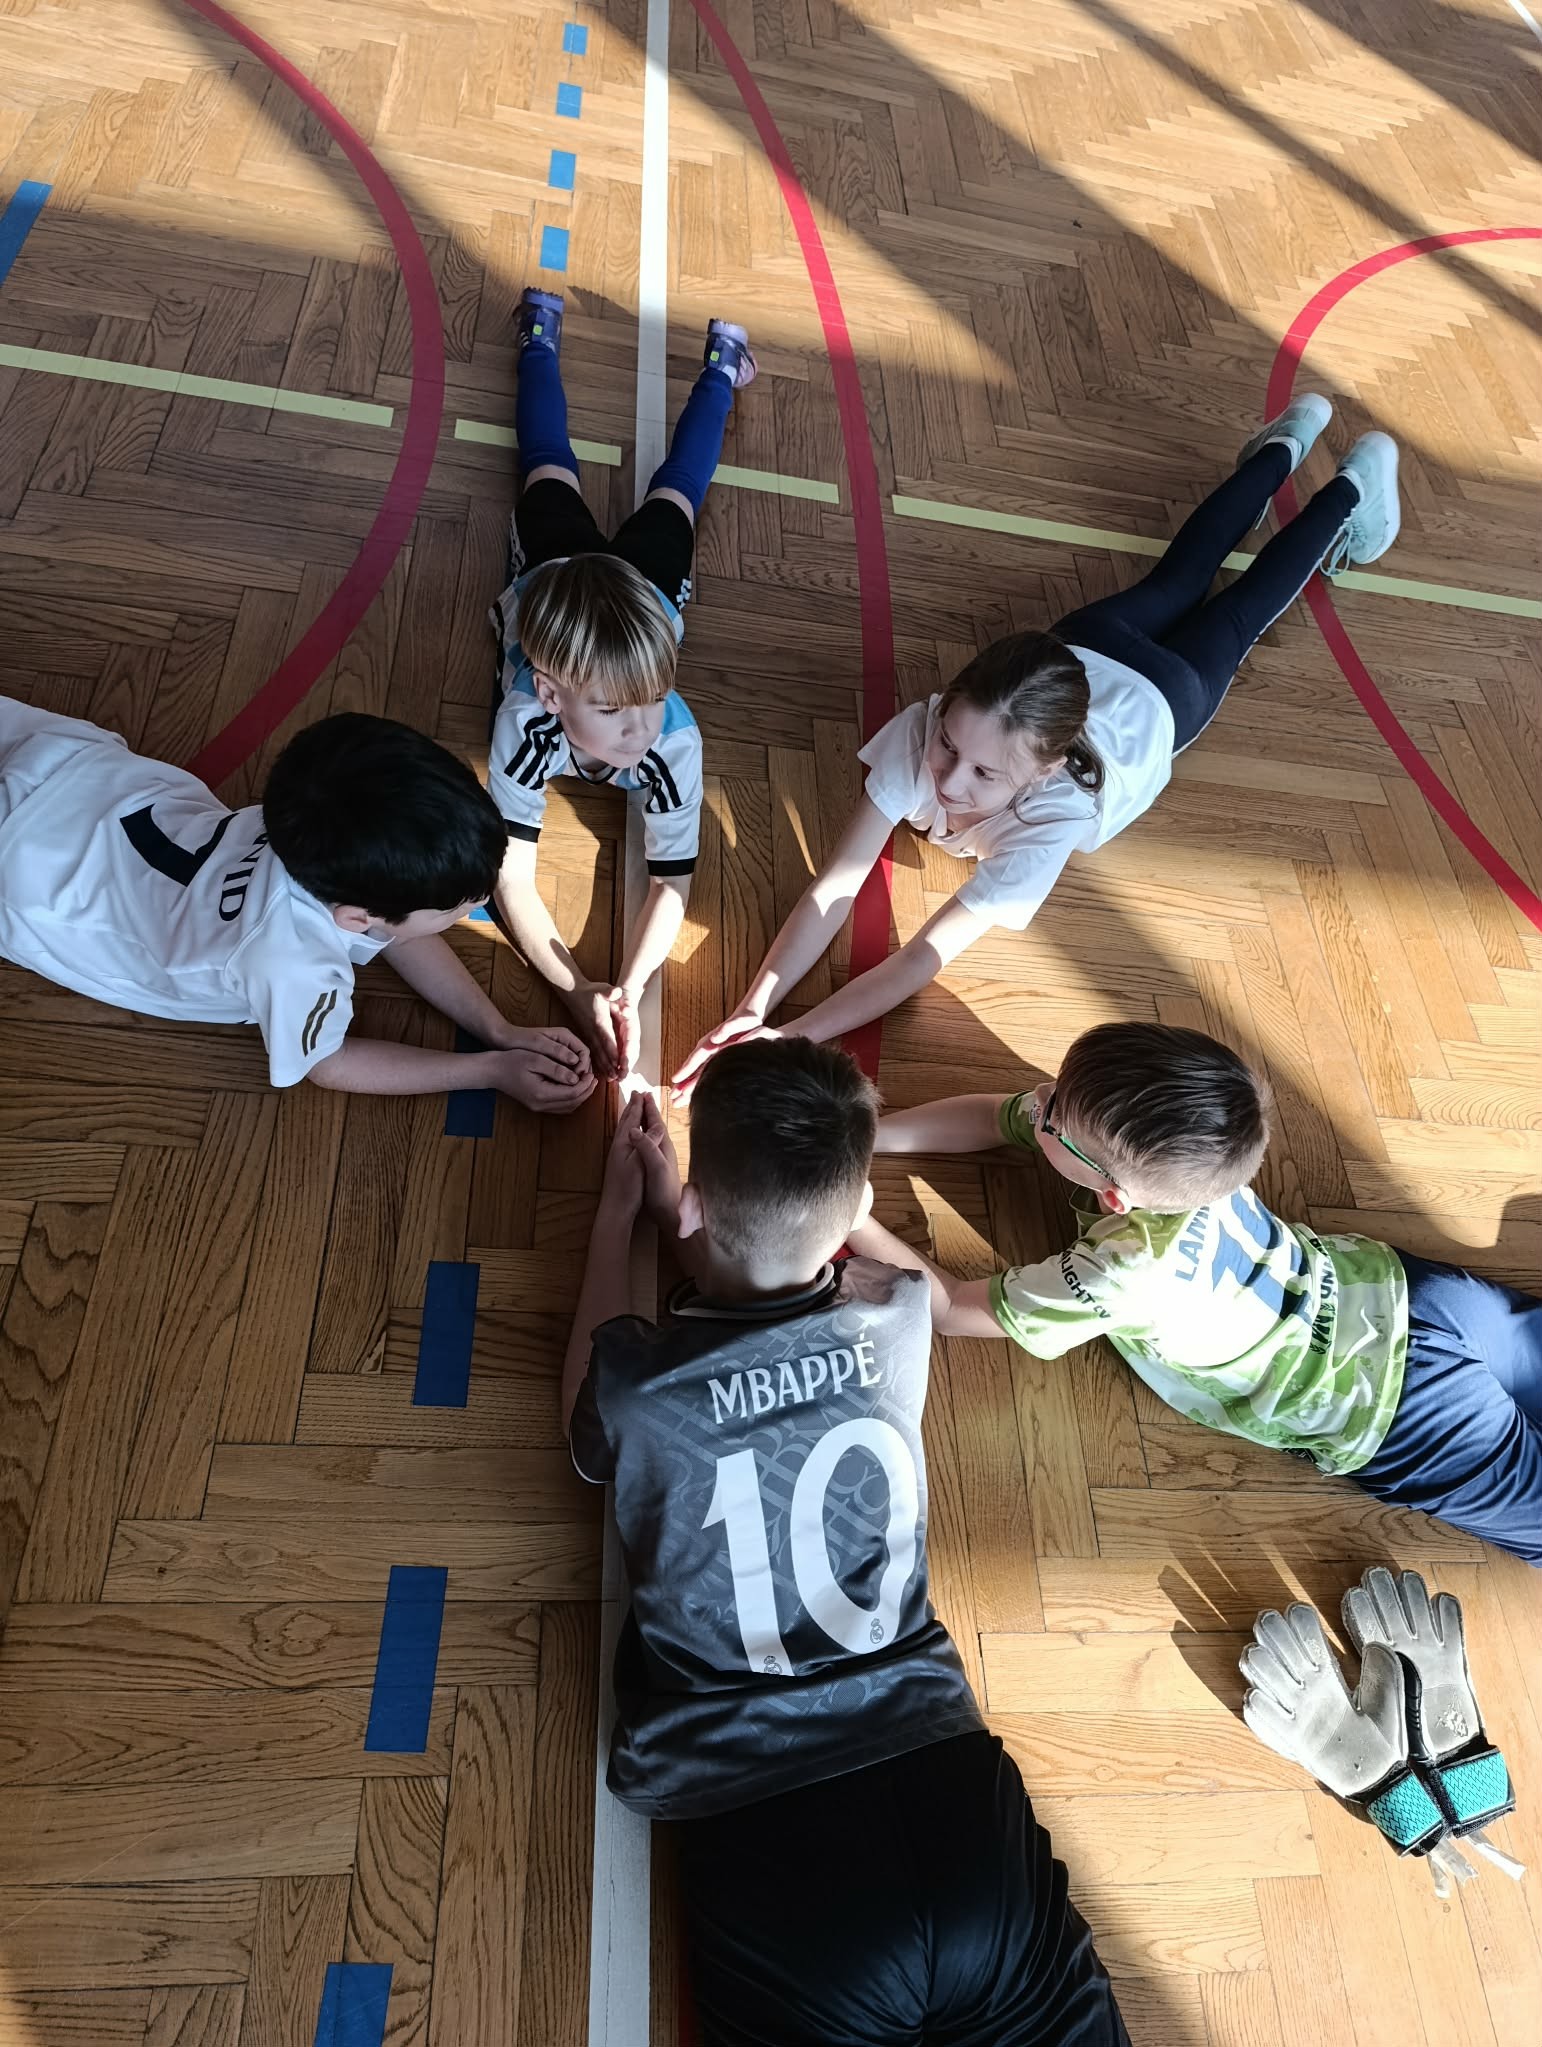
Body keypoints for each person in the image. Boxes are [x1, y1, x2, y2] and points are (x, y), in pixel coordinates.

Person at [562, 1040, 1129, 2046]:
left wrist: (622, 1213)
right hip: (949, 1787)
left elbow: (587, 1429)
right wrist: (697, 1218)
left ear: (698, 1203)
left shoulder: (635, 1386)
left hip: (764, 1812)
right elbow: (785, 1294)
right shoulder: (900, 1313)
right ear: (855, 1210)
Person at [674, 399, 1399, 1096]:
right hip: (1085, 649)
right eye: (949, 745)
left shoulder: (1048, 826)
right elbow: (835, 885)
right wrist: (754, 1006)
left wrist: (795, 1034)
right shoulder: (924, 733)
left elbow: (921, 957)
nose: (951, 781)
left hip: (1163, 694)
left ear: (1045, 770)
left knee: (1237, 609)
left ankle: (1346, 482)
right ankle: (1290, 444)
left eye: (986, 773)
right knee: (1186, 575)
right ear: (947, 705)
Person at [860, 1021, 1542, 1565]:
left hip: (1399, 1413)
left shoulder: (1122, 1272)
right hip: (1408, 1296)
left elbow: (953, 1309)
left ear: (1115, 1198)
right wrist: (868, 1135)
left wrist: (849, 1214)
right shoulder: (1192, 1146)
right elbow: (1003, 1118)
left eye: (1055, 1108)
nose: (1039, 1097)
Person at [0, 698, 593, 1107]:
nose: (481, 901)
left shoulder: (323, 828)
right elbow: (327, 1063)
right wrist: (488, 1071)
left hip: (71, 766)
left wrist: (497, 1028)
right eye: (457, 906)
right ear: (355, 917)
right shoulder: (292, 963)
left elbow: (394, 930)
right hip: (25, 880)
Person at [488, 286, 756, 1081]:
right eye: (612, 710)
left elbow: (673, 879)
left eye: (651, 698)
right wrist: (576, 989)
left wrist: (629, 987)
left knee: (678, 488)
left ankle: (721, 367)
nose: (642, 728)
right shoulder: (524, 720)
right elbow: (509, 874)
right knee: (546, 459)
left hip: (643, 588)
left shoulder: (672, 738)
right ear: (550, 694)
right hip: (553, 571)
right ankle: (538, 337)